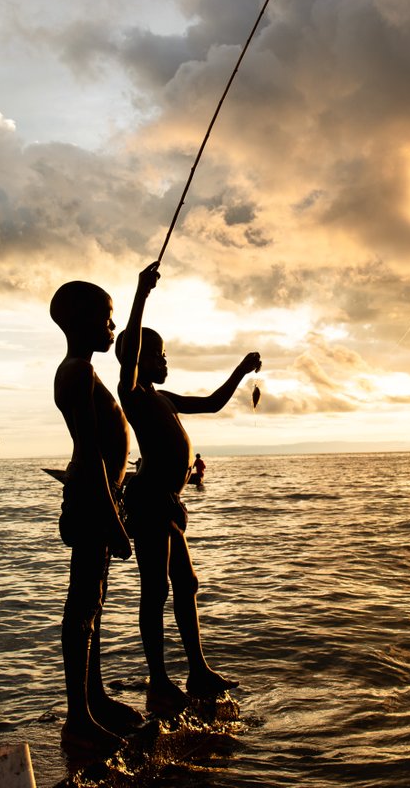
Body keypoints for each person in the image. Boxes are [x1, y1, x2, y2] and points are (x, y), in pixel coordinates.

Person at [115, 290, 261, 715]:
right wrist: (141, 294)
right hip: (149, 502)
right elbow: (129, 359)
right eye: (159, 355)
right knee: (155, 589)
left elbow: (213, 403)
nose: (165, 362)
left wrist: (240, 369)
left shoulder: (165, 398)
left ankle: (198, 669)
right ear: (141, 357)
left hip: (169, 504)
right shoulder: (134, 395)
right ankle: (159, 682)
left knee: (187, 584)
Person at [50, 263, 159, 752]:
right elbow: (92, 453)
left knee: (91, 605)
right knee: (82, 609)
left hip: (102, 499)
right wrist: (114, 524)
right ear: (80, 320)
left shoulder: (83, 370)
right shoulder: (75, 374)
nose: (112, 329)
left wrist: (140, 294)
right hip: (93, 503)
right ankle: (79, 717)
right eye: (106, 318)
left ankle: (92, 699)